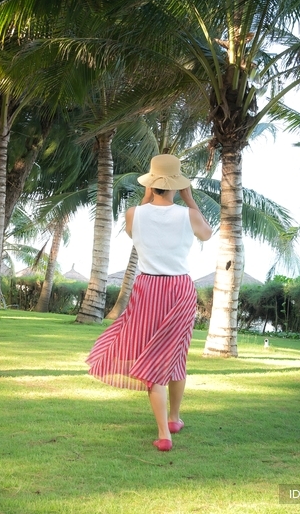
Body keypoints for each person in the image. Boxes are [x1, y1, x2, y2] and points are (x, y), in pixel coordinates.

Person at [86, 154, 212, 451]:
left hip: (147, 288)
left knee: (153, 357)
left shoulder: (134, 214)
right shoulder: (187, 215)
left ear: (152, 183)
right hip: (180, 289)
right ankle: (173, 419)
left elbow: (133, 232)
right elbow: (206, 234)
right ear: (177, 185)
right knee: (176, 354)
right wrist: (190, 199)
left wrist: (145, 197)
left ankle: (165, 433)